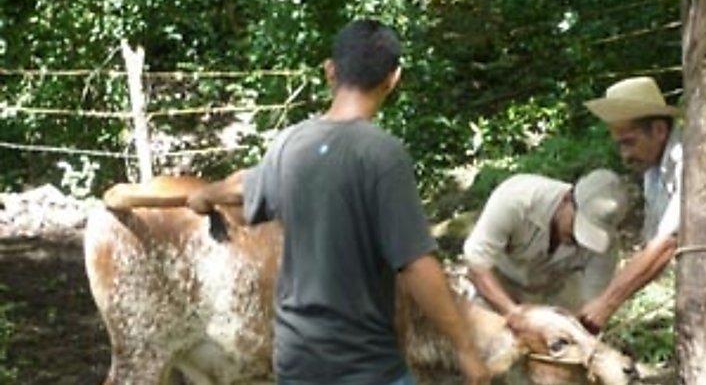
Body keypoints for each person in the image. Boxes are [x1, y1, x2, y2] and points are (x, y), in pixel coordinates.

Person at [187, 19, 490, 385]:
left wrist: (204, 195)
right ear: (393, 78)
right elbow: (415, 264)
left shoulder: (289, 144)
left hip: (296, 363)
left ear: (330, 71)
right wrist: (466, 350)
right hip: (363, 367)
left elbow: (241, 198)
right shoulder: (382, 154)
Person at [582, 76, 706, 384]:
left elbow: (668, 243)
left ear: (658, 130)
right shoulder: (654, 170)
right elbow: (654, 247)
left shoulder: (695, 159)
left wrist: (605, 306)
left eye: (629, 142)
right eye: (619, 144)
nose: (624, 155)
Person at [463, 169, 629, 326]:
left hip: (553, 294)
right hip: (498, 286)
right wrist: (513, 313)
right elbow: (477, 264)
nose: (578, 240)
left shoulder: (606, 246)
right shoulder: (515, 199)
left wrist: (573, 330)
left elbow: (592, 303)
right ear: (567, 200)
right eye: (577, 227)